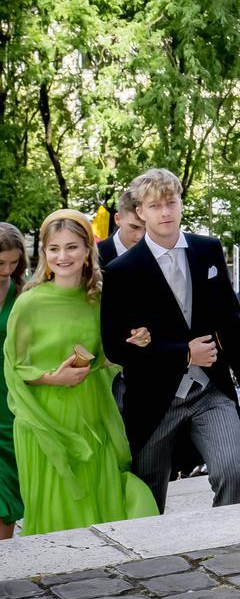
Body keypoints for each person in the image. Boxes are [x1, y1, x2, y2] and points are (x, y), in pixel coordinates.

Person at [101, 169, 240, 512]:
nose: (165, 212)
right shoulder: (120, 271)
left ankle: (227, 548)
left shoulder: (208, 250)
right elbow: (115, 348)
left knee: (232, 471)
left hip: (209, 391)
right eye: (155, 205)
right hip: (153, 401)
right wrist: (183, 354)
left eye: (171, 203)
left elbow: (230, 320)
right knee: (149, 496)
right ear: (140, 212)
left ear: (181, 204)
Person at [3, 210, 157, 535]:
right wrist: (51, 377)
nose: (63, 256)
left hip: (90, 414)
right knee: (55, 508)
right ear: (44, 253)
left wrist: (137, 341)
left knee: (106, 500)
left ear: (87, 250)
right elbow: (13, 366)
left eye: (72, 247)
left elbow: (108, 358)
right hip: (43, 420)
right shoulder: (29, 303)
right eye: (54, 248)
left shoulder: (100, 299)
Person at [0, 224, 27, 539]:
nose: (6, 270)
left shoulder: (23, 292)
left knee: (7, 476)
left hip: (12, 392)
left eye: (12, 264)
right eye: (0, 264)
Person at [97, 190, 146, 269]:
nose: (141, 236)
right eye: (134, 227)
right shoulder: (92, 256)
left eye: (149, 229)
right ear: (118, 219)